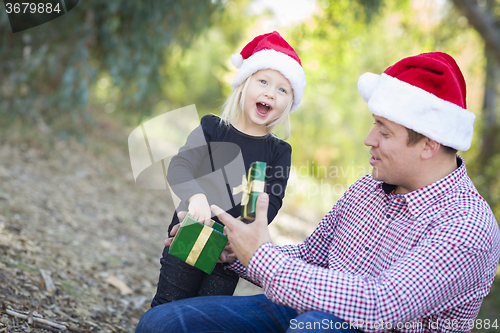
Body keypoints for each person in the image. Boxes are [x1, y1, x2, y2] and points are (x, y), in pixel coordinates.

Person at [137, 52, 500, 333]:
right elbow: (310, 257)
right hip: (304, 311)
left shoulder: (467, 225)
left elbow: (381, 304)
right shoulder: (367, 189)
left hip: (351, 325)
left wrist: (262, 257)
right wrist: (233, 253)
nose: (368, 140)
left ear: (429, 145)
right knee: (164, 324)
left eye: (384, 132)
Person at [150, 31, 307, 306]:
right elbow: (179, 166)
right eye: (263, 81)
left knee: (204, 318)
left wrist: (243, 237)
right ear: (244, 84)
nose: (270, 92)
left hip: (228, 251)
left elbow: (269, 203)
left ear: (288, 104)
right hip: (191, 230)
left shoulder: (279, 152)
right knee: (168, 305)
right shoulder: (212, 128)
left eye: (282, 89)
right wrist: (196, 196)